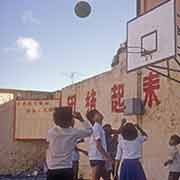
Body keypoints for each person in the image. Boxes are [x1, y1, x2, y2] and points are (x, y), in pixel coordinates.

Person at [46, 107, 93, 180]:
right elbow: (90, 131)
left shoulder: (51, 132)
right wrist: (81, 119)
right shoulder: (74, 132)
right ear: (70, 121)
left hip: (52, 168)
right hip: (66, 168)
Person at [86, 109, 112, 180]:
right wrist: (106, 156)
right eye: (97, 113)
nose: (100, 114)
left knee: (107, 177)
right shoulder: (97, 127)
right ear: (93, 118)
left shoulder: (99, 127)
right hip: (97, 158)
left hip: (100, 158)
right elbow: (98, 145)